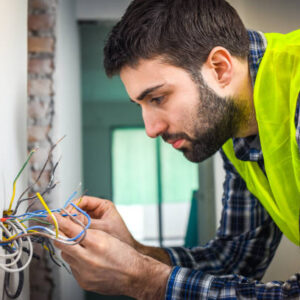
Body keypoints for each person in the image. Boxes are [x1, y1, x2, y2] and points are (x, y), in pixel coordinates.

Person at [54, 0, 300, 299]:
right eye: (141, 105)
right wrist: (136, 252)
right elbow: (235, 260)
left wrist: (144, 280)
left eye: (157, 98)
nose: (150, 129)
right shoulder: (233, 123)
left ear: (220, 68)